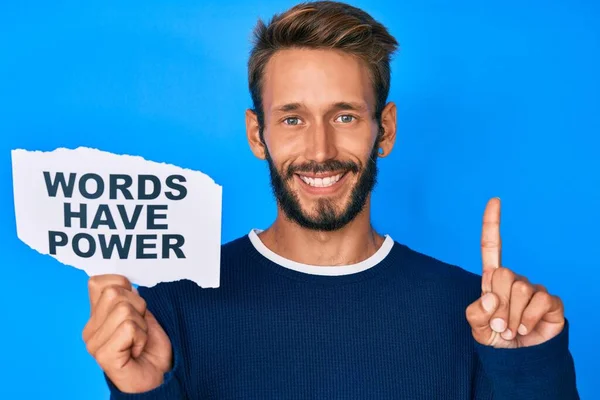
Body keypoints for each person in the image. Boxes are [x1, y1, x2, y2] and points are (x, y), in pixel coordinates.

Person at [82, 1, 579, 398]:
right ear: (258, 135)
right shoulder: (174, 306)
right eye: (292, 119)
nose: (320, 151)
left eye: (344, 117)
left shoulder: (478, 313)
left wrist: (529, 370)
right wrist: (144, 391)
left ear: (384, 130)